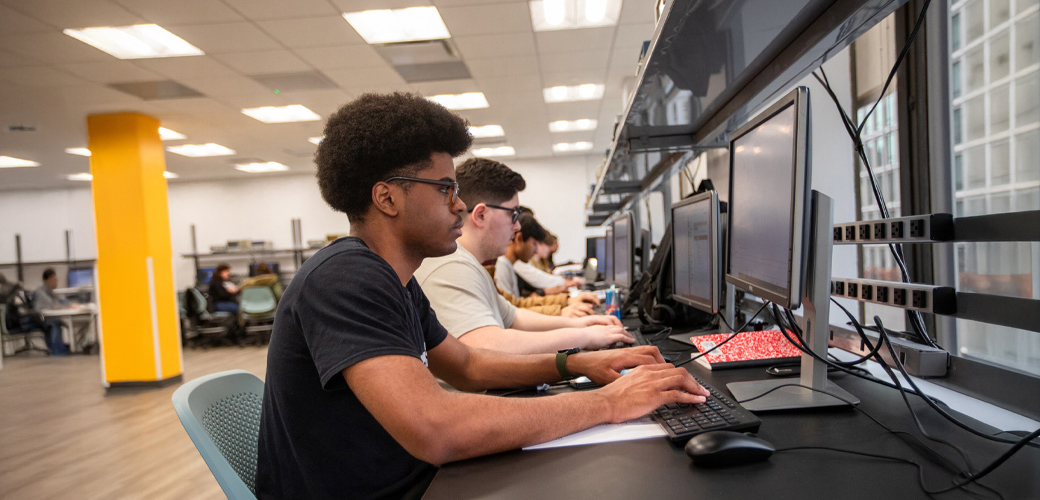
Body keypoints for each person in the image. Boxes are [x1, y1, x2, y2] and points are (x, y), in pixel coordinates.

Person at [256, 92, 708, 499]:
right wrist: (609, 402)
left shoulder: (396, 281)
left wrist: (576, 363)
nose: (458, 204)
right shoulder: (346, 278)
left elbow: (468, 366)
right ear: (387, 198)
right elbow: (437, 428)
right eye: (445, 189)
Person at [415, 158, 627, 354]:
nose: (517, 226)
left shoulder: (470, 264)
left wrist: (580, 324)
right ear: (480, 215)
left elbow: (515, 317)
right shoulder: (451, 267)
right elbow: (488, 346)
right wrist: (583, 337)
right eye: (512, 214)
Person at [493, 214, 592, 318]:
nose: (536, 250)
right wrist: (560, 311)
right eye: (534, 244)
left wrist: (565, 301)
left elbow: (517, 305)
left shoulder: (508, 266)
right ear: (519, 239)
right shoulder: (501, 267)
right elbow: (512, 314)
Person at [31, 268, 73, 355]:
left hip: (46, 317)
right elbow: (52, 305)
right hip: (38, 319)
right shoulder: (41, 292)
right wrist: (67, 306)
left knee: (57, 321)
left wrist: (71, 304)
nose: (56, 282)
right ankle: (56, 350)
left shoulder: (49, 291)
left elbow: (60, 301)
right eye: (55, 279)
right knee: (54, 323)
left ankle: (59, 348)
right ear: (48, 279)